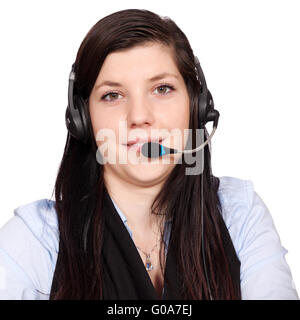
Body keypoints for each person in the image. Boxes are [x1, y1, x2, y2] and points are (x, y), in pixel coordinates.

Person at [0, 9, 298, 300]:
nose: (140, 116)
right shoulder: (35, 240)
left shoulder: (239, 213)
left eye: (162, 88)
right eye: (112, 95)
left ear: (197, 105)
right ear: (82, 119)